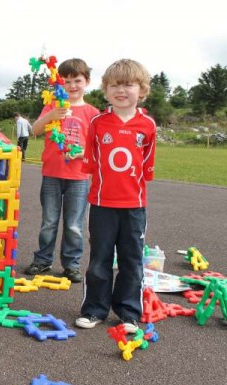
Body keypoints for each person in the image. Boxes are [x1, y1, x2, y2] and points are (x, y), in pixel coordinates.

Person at [75, 59, 156, 333]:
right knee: (99, 258)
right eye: (115, 85)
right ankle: (94, 309)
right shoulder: (98, 123)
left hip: (134, 206)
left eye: (128, 85)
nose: (121, 90)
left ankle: (129, 313)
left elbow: (146, 165)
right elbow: (91, 161)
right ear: (106, 90)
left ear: (141, 90)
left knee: (132, 261)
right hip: (101, 204)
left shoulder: (148, 125)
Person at [23, 58, 100, 283]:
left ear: (87, 82)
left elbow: (97, 148)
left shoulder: (93, 112)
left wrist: (80, 154)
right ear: (59, 84)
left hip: (79, 177)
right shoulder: (52, 105)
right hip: (51, 174)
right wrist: (50, 116)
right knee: (49, 221)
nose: (72, 86)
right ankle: (43, 259)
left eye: (77, 80)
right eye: (66, 81)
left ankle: (71, 264)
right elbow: (35, 130)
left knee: (74, 225)